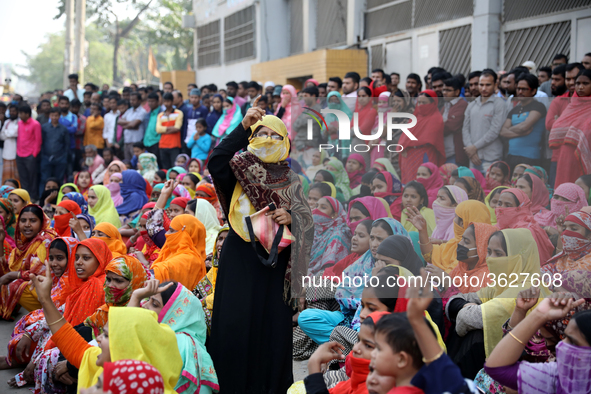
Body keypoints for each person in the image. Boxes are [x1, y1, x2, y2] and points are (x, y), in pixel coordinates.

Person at [207, 102, 313, 393]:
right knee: (234, 325)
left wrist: (291, 218)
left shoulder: (293, 181)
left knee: (270, 330)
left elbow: (309, 224)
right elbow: (216, 161)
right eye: (260, 133)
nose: (267, 139)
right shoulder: (239, 170)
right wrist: (242, 128)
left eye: (275, 135)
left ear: (286, 142)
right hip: (240, 254)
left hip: (275, 262)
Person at [29, 262, 183, 394]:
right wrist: (44, 299)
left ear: (127, 346)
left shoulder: (124, 378)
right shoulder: (124, 371)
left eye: (99, 386)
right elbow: (66, 336)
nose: (98, 338)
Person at [446, 228, 545, 379]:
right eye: (489, 251)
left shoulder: (525, 289)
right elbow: (457, 299)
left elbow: (466, 319)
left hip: (522, 370)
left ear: (520, 258)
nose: (491, 259)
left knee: (477, 336)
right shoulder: (502, 284)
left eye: (498, 254)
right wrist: (464, 307)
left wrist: (464, 309)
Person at [129, 281, 219, 393]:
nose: (145, 306)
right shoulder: (185, 342)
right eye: (148, 300)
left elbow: (125, 351)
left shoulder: (179, 343)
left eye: (155, 304)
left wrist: (136, 296)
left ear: (174, 313)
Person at [0, 205, 57, 319]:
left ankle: (48, 314)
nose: (27, 225)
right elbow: (7, 268)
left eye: (33, 220)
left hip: (53, 288)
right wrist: (0, 242)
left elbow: (40, 272)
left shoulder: (46, 240)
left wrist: (13, 275)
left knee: (15, 284)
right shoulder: (25, 242)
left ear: (42, 223)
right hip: (40, 287)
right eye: (23, 220)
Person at [407, 200, 491, 272]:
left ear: (462, 223)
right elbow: (430, 254)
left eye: (456, 217)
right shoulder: (454, 243)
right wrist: (423, 231)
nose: (454, 221)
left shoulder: (480, 254)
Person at [549, 69, 591, 187]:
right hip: (566, 155)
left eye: (585, 84)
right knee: (565, 189)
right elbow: (556, 127)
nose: (580, 87)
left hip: (587, 154)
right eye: (578, 83)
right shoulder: (573, 105)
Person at [496, 188, 555, 266]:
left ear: (520, 208)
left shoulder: (526, 231)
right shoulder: (496, 227)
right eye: (499, 204)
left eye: (508, 205)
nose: (501, 208)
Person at [462, 70, 505, 174]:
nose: (484, 88)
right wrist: (471, 151)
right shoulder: (471, 105)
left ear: (495, 85)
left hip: (491, 157)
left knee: (489, 187)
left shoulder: (500, 104)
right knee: (472, 188)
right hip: (473, 157)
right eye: (481, 85)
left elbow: (494, 131)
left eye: (488, 85)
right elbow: (465, 129)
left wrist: (474, 147)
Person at [501, 74, 547, 169]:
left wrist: (510, 129)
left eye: (524, 89)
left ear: (533, 91)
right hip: (511, 156)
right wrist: (520, 134)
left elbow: (524, 127)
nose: (520, 92)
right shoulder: (514, 109)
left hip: (530, 158)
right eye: (518, 89)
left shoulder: (538, 106)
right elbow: (502, 132)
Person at [399, 90, 445, 183]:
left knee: (424, 182)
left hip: (425, 154)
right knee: (409, 183)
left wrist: (408, 144)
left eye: (424, 103)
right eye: (419, 102)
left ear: (433, 103)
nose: (420, 105)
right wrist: (403, 146)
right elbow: (405, 136)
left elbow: (429, 139)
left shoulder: (436, 118)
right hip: (409, 157)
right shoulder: (415, 117)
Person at [309, 197, 351, 276]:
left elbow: (328, 269)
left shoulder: (337, 235)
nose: (316, 210)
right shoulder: (316, 230)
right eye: (316, 206)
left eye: (323, 207)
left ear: (334, 215)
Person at [39, 108, 69, 198]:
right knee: (44, 179)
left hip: (60, 158)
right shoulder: (44, 127)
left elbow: (67, 144)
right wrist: (43, 155)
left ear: (59, 116)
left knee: (59, 179)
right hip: (46, 157)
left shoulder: (63, 129)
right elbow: (41, 142)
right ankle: (42, 198)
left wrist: (64, 157)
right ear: (49, 116)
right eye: (52, 115)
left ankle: (59, 198)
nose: (54, 117)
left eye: (56, 115)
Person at [16, 106, 42, 201]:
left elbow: (38, 141)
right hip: (19, 154)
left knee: (32, 178)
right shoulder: (19, 124)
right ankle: (25, 198)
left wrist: (34, 154)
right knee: (23, 178)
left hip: (30, 155)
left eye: (21, 113)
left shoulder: (35, 124)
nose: (19, 115)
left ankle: (33, 197)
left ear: (27, 114)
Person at [441, 77, 469, 166]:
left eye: (448, 90)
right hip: (445, 153)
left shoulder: (462, 105)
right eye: (444, 90)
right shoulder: (445, 106)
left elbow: (450, 126)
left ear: (457, 92)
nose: (444, 93)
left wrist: (436, 127)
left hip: (455, 153)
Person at [156, 92, 184, 169]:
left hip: (174, 145)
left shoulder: (179, 113)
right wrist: (171, 128)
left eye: (168, 101)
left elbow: (177, 128)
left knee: (174, 167)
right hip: (163, 145)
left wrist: (164, 129)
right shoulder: (160, 115)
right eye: (165, 101)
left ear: (172, 101)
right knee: (165, 167)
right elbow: (158, 129)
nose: (166, 103)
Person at [117, 92, 146, 161]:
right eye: (131, 100)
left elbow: (134, 124)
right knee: (127, 161)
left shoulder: (142, 111)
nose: (131, 102)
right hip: (127, 141)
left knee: (136, 161)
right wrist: (132, 123)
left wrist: (130, 125)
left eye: (134, 100)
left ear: (139, 100)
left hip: (136, 141)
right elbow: (119, 121)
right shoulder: (129, 111)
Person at [1, 105, 19, 184]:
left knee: (16, 176)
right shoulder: (6, 122)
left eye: (14, 111)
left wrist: (7, 133)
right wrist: (8, 133)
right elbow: (1, 136)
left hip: (16, 153)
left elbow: (14, 133)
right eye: (11, 111)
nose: (12, 113)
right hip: (6, 153)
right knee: (6, 175)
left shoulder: (19, 122)